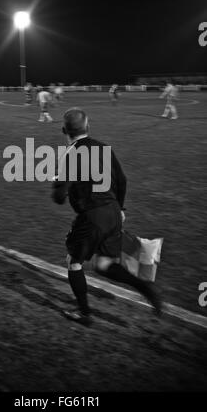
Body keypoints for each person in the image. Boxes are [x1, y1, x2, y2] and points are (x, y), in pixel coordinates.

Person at [52, 107, 162, 326]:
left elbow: (59, 198)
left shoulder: (70, 155)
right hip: (113, 212)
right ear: (88, 127)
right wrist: (120, 209)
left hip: (92, 216)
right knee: (103, 264)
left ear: (64, 130)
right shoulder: (103, 148)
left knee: (73, 262)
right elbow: (122, 180)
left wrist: (57, 180)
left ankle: (84, 314)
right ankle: (145, 288)